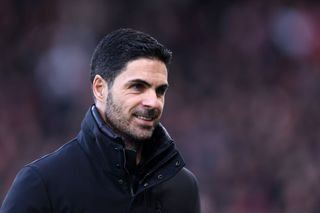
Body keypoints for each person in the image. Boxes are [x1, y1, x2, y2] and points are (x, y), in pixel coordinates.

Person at [0, 28, 201, 213]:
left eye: (160, 91)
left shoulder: (182, 187)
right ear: (100, 88)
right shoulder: (42, 184)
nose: (153, 102)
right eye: (137, 86)